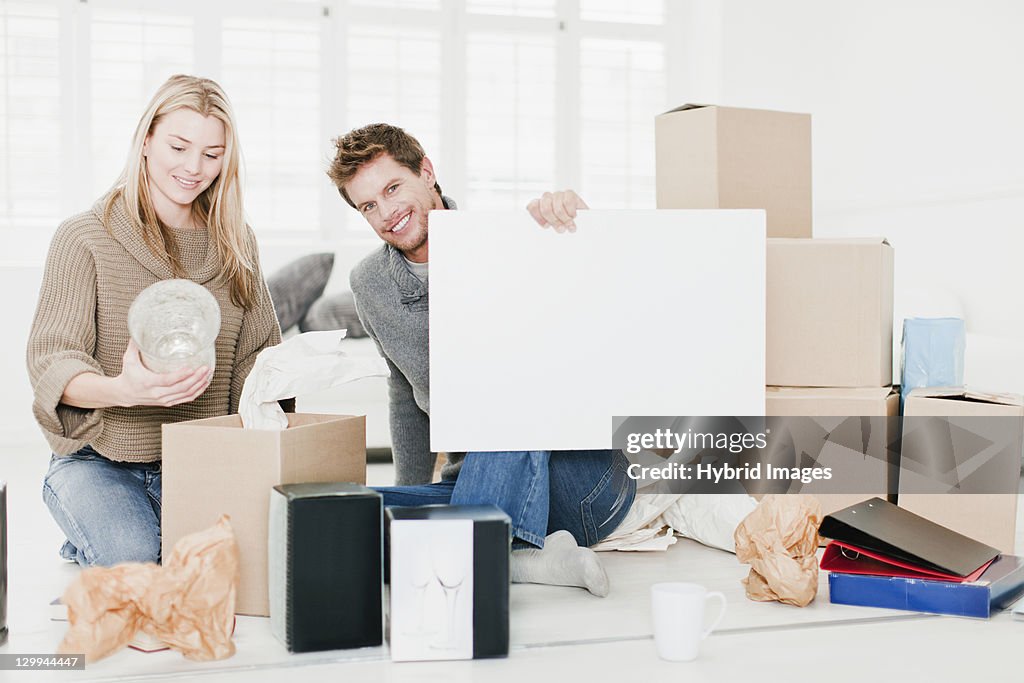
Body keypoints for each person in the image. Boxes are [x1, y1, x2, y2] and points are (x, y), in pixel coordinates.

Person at [326, 123, 635, 596]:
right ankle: (520, 554)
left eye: (393, 188)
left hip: (582, 482)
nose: (386, 213)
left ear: (426, 172)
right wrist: (415, 493)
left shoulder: (518, 238)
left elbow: (608, 325)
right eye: (368, 205)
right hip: (474, 479)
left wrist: (583, 233)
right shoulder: (370, 283)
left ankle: (465, 554)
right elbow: (405, 395)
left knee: (503, 380)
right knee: (335, 516)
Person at [26, 75, 285, 568]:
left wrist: (287, 380)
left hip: (199, 460)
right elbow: (51, 362)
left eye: (212, 153)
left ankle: (120, 529)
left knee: (233, 564)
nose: (193, 167)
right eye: (179, 146)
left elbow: (259, 352)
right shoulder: (83, 237)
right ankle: (92, 524)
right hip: (98, 461)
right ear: (146, 140)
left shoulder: (236, 241)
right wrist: (127, 390)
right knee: (139, 559)